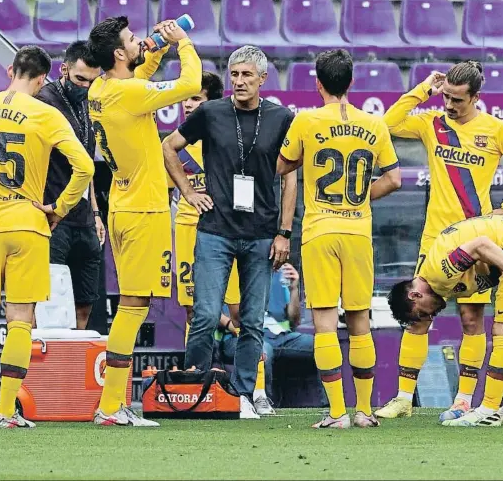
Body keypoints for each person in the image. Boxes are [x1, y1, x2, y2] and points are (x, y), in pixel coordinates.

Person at [377, 61, 503, 422]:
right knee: (418, 318)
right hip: (435, 238)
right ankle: (404, 398)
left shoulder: (496, 129)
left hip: (477, 238)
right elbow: (386, 124)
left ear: (476, 98)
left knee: (471, 319)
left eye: (457, 100)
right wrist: (424, 89)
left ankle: (464, 399)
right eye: (447, 97)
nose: (449, 105)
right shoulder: (431, 123)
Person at [0, 46, 94, 428]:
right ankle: (7, 412)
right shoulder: (46, 112)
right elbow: (85, 166)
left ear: (11, 70)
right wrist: (59, 207)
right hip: (28, 224)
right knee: (20, 319)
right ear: (43, 80)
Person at [163, 45, 297, 419]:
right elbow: (168, 147)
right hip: (215, 230)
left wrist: (284, 231)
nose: (239, 81)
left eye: (246, 75)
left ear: (262, 79)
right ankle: (194, 390)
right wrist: (188, 192)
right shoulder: (210, 112)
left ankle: (244, 394)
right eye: (234, 74)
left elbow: (290, 179)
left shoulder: (281, 117)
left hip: (260, 234)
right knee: (204, 315)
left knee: (252, 320)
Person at [277, 49, 402, 429]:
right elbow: (394, 178)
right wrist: (362, 195)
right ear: (351, 83)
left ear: (318, 83)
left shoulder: (306, 121)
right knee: (360, 320)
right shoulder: (374, 124)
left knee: (326, 324)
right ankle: (364, 410)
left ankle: (336, 414)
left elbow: (282, 165)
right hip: (357, 230)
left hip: (320, 230)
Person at [87, 16, 201, 426]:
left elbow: (138, 84)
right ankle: (111, 405)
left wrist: (155, 50)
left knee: (135, 303)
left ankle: (112, 404)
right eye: (132, 40)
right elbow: (189, 84)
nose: (140, 41)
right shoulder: (127, 91)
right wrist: (183, 42)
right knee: (134, 306)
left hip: (122, 201)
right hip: (144, 210)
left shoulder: (101, 88)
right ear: (119, 53)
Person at [388, 215, 503, 426]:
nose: (431, 317)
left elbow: (481, 244)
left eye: (423, 314)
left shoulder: (439, 273)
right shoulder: (439, 280)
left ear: (415, 296)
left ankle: (489, 409)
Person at [37, 40, 104, 330]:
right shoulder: (43, 101)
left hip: (85, 219)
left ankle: (74, 373)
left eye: (92, 80)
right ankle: (46, 374)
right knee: (48, 307)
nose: (85, 86)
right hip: (53, 217)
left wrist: (97, 214)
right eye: (79, 79)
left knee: (85, 302)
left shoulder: (91, 101)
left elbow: (87, 165)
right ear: (63, 69)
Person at [170, 72, 241, 340]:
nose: (187, 105)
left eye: (195, 99)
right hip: (188, 230)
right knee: (194, 311)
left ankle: (255, 379)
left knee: (239, 310)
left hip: (227, 230)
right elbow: (167, 195)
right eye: (185, 99)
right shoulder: (174, 147)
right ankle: (196, 374)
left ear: (211, 103)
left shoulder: (230, 140)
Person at [213, 263, 321, 415]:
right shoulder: (227, 268)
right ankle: (262, 401)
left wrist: (294, 288)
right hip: (239, 336)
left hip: (280, 336)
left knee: (321, 346)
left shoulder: (279, 273)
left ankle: (327, 404)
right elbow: (210, 310)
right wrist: (231, 325)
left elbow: (294, 320)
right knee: (262, 350)